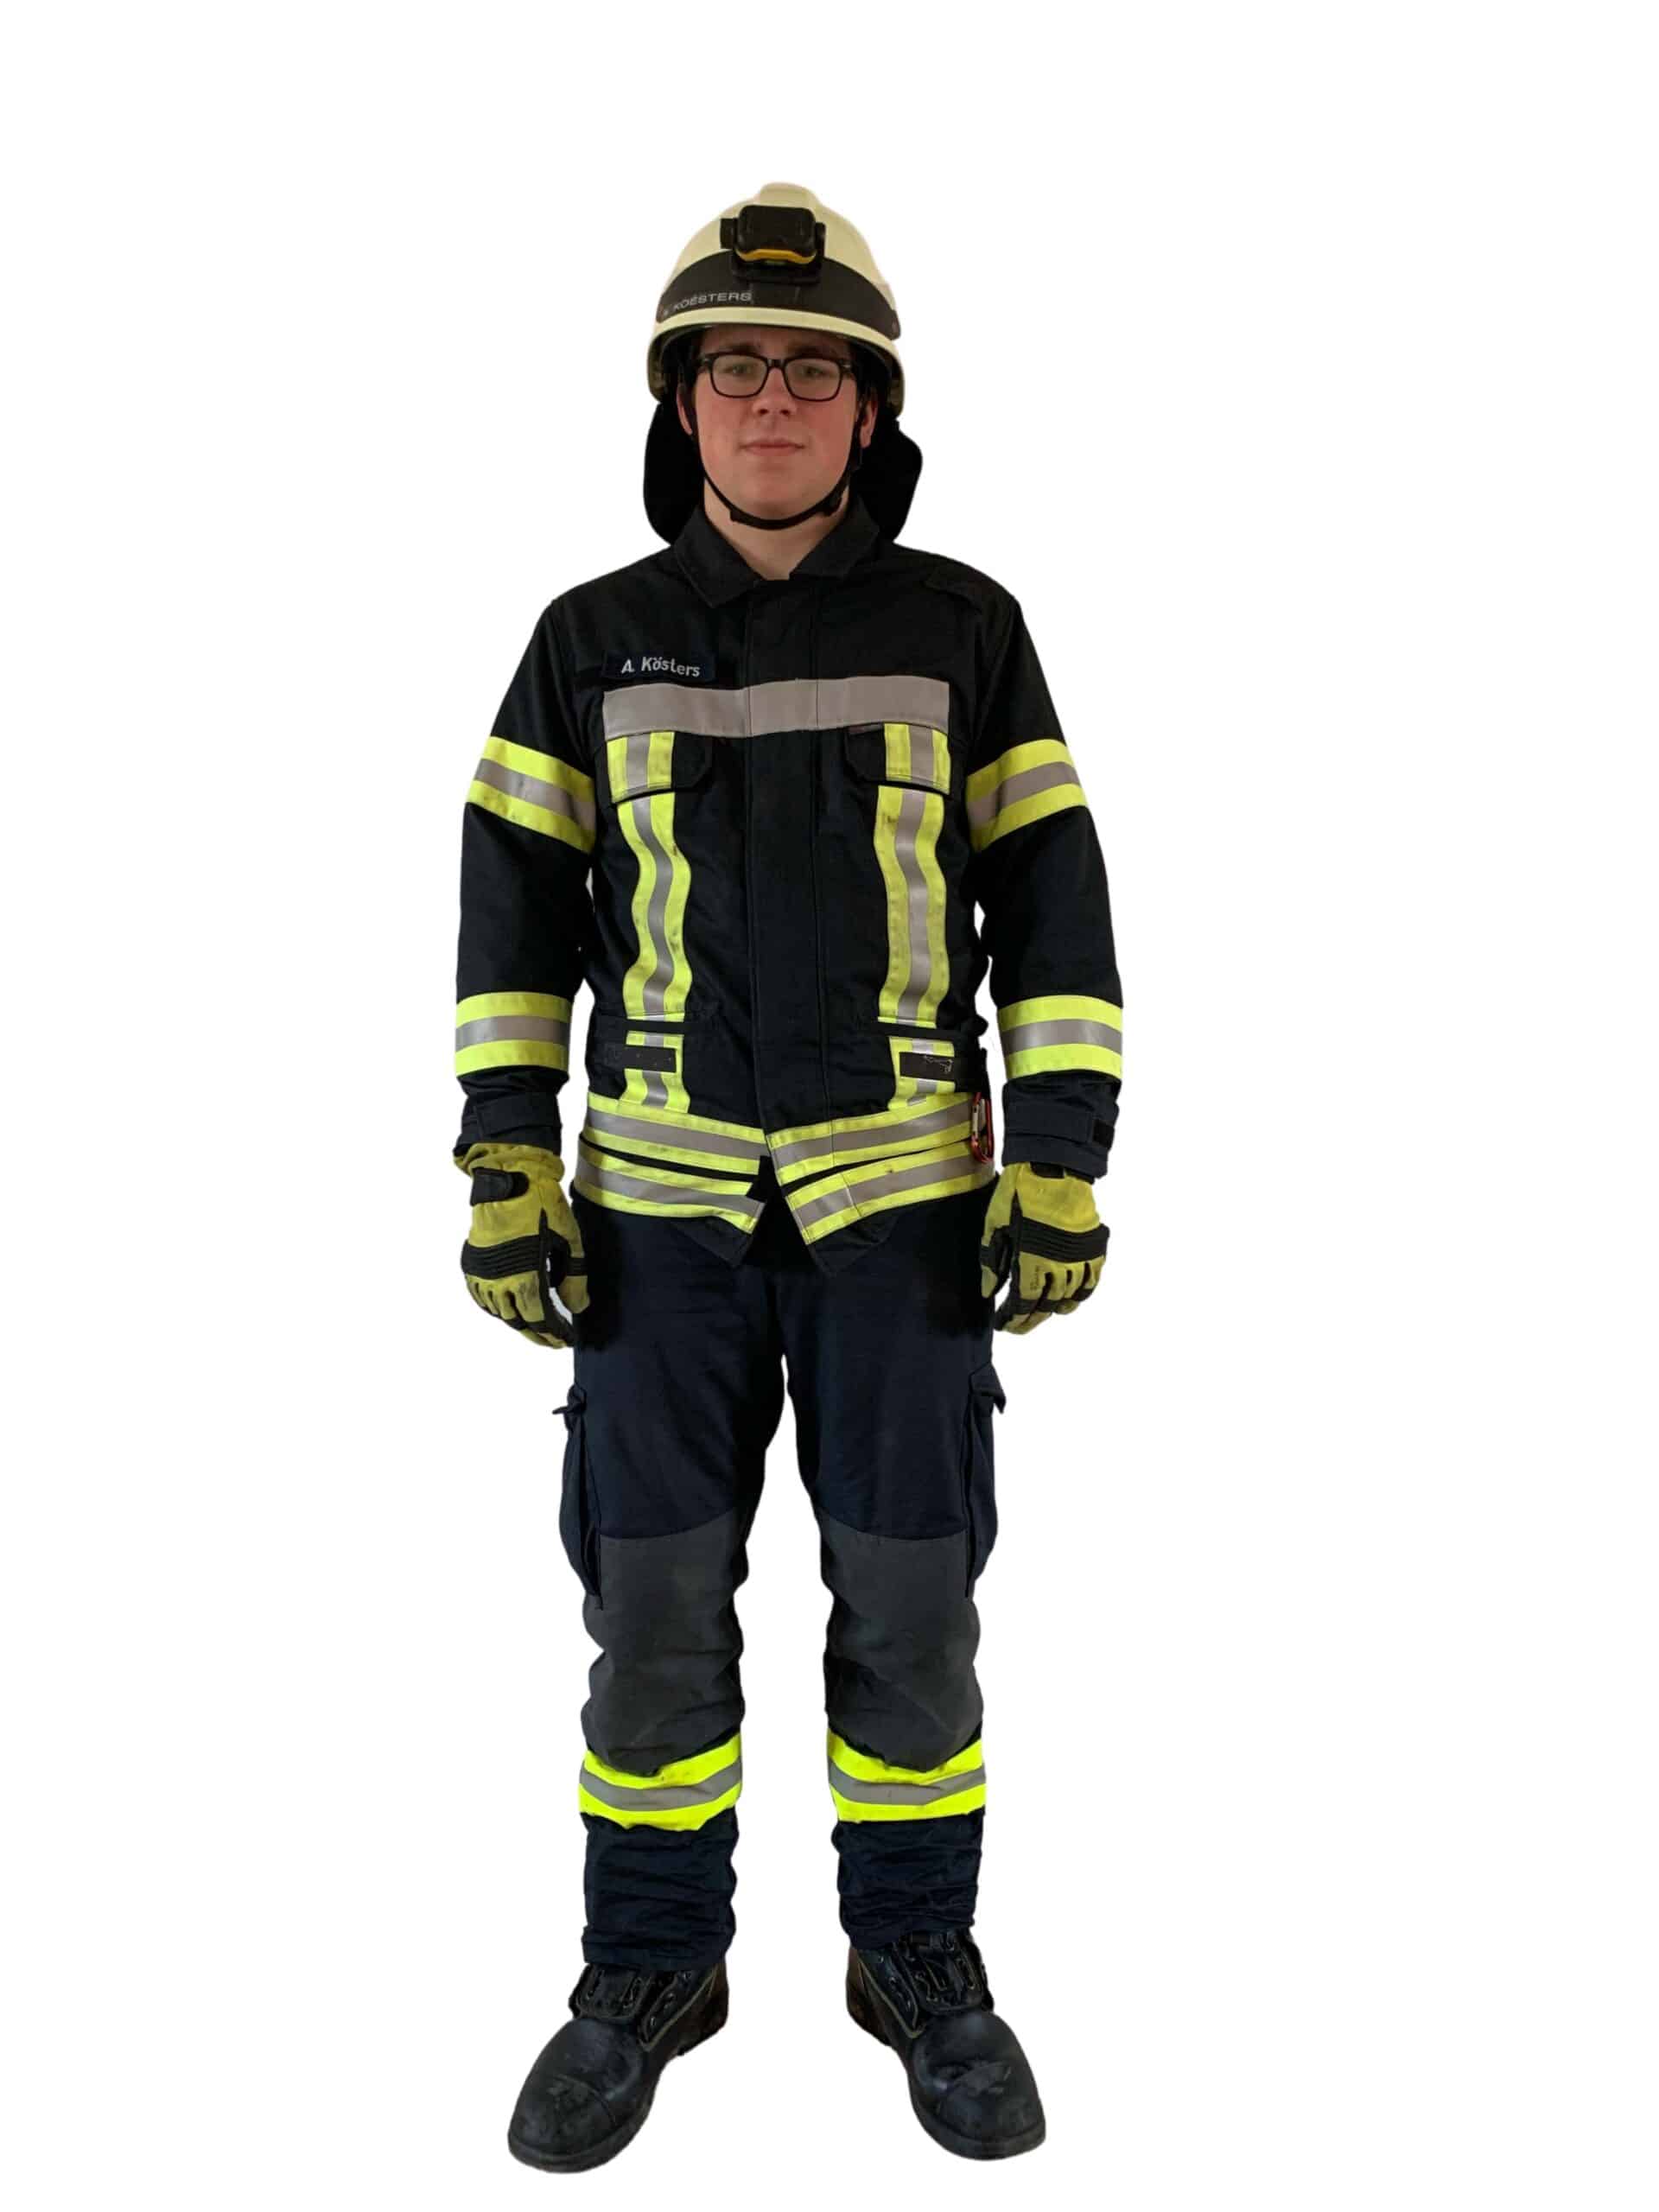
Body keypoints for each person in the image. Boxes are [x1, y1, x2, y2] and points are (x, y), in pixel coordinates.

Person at [454, 183, 1122, 2171]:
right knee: (653, 1607)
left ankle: (915, 1956)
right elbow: (513, 919)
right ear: (680, 402)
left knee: (911, 1607)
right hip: (654, 1227)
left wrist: (1060, 1159)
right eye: (734, 365)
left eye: (812, 369)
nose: (770, 398)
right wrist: (504, 1154)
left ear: (870, 409)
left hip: (904, 1219)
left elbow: (1055, 909)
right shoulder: (585, 643)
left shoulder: (965, 634)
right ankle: (651, 1964)